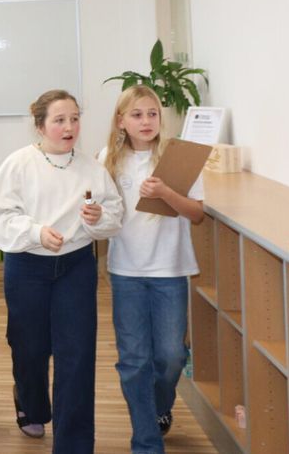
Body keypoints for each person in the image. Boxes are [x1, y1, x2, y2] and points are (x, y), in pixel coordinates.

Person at [0, 89, 123, 452]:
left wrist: (98, 218)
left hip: (76, 267)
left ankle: (73, 444)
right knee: (29, 348)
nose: (69, 126)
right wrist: (35, 232)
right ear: (40, 125)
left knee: (76, 355)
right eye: (59, 120)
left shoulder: (93, 169)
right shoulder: (19, 164)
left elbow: (113, 216)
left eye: (75, 118)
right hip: (27, 266)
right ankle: (31, 403)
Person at [101, 85, 205, 452]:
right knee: (133, 360)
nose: (146, 121)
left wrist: (166, 194)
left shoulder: (179, 158)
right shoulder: (107, 160)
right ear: (121, 121)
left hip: (170, 271)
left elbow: (197, 214)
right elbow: (104, 213)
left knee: (171, 356)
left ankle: (159, 408)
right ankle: (146, 441)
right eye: (136, 114)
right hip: (126, 272)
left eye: (152, 114)